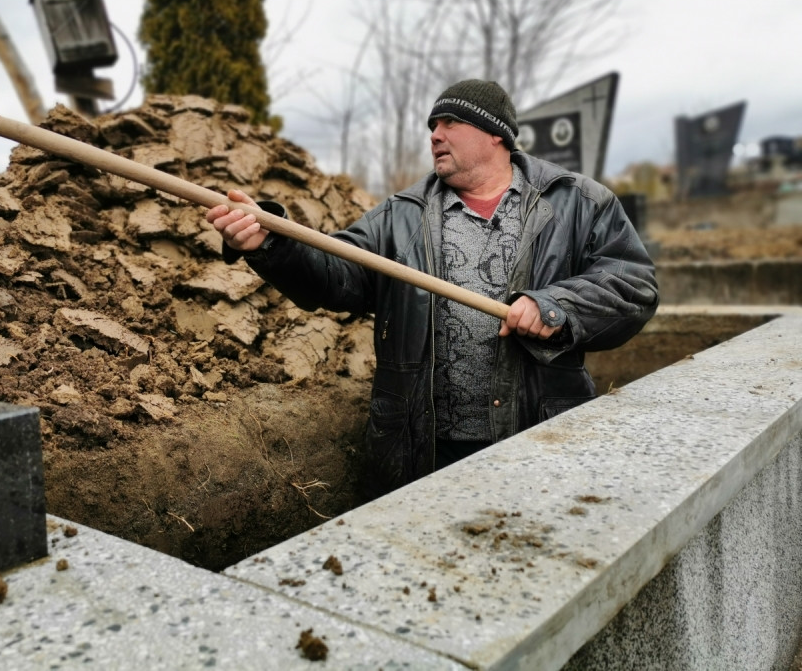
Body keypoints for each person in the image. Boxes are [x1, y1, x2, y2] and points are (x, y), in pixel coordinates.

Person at [206, 79, 658, 498]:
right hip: (425, 450)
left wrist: (555, 307)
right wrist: (271, 243)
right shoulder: (401, 215)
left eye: (449, 123)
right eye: (432, 126)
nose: (435, 135)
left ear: (495, 134)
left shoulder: (577, 202)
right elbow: (335, 274)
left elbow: (632, 284)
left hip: (541, 440)